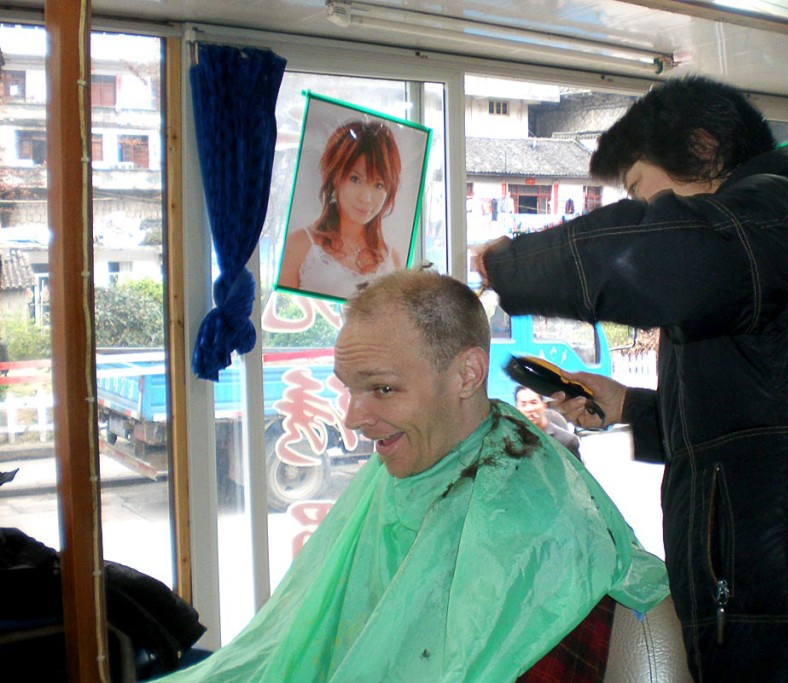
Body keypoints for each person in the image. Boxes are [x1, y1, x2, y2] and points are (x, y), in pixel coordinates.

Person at [473, 75, 788, 681]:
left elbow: (654, 256)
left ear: (703, 147)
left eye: (642, 195)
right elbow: (773, 424)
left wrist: (513, 263)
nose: (644, 215)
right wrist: (628, 408)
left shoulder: (780, 215)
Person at [159, 270, 668, 682]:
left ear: (468, 374)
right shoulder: (408, 463)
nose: (352, 420)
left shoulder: (532, 519)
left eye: (381, 390)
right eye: (350, 389)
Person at [278, 120, 405, 300]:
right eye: (355, 179)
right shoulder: (299, 246)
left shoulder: (394, 262)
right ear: (335, 178)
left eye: (378, 184)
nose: (366, 198)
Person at [515, 384, 582, 459]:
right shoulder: (511, 437)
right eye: (523, 404)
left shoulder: (567, 440)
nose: (529, 409)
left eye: (534, 403)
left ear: (544, 405)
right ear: (517, 409)